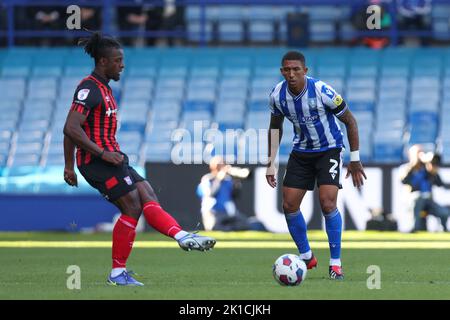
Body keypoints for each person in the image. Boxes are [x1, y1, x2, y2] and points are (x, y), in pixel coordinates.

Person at [63, 31, 216, 287]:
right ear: (103, 61)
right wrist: (78, 162)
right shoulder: (89, 89)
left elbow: (72, 129)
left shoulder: (105, 89)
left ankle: (181, 235)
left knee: (147, 195)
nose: (122, 65)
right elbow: (71, 128)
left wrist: (77, 162)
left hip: (113, 158)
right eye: (117, 60)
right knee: (132, 206)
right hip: (97, 161)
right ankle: (117, 273)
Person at [265, 51, 367, 280]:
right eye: (287, 70)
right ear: (282, 71)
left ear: (305, 71)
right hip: (301, 152)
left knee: (327, 203)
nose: (291, 74)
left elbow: (350, 121)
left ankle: (335, 264)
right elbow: (275, 127)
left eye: (296, 70)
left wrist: (355, 158)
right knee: (289, 205)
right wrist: (270, 162)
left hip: (329, 150)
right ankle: (306, 255)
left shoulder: (322, 91)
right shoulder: (277, 95)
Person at [401, 145, 450, 232]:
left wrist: (432, 171)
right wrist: (414, 165)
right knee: (418, 198)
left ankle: (444, 229)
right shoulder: (408, 168)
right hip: (414, 199)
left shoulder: (429, 169)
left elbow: (441, 184)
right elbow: (403, 180)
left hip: (428, 200)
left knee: (444, 212)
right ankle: (414, 227)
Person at [196, 156, 251, 231]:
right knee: (215, 227)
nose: (222, 168)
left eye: (223, 165)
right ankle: (227, 228)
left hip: (227, 213)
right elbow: (210, 194)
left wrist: (236, 181)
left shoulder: (228, 180)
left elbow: (235, 195)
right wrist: (218, 179)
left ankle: (229, 228)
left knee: (245, 224)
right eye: (219, 165)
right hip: (213, 213)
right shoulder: (208, 179)